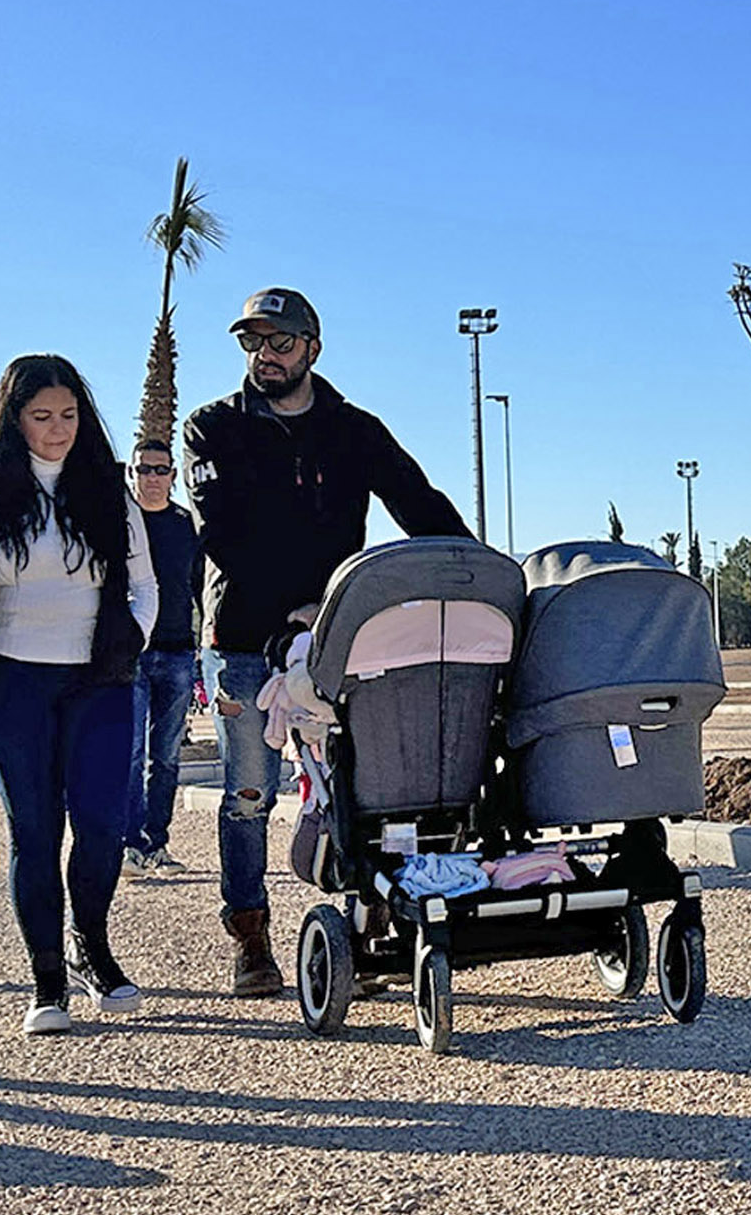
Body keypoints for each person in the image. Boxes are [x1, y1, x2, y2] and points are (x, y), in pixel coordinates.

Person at [182, 287, 471, 996]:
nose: (265, 355)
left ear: (312, 347)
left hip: (339, 637)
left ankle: (363, 921)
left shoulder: (353, 430)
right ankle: (250, 935)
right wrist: (297, 608)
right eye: (253, 342)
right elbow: (224, 534)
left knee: (361, 780)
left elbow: (418, 501)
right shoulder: (211, 429)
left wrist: (471, 569)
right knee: (251, 790)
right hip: (246, 639)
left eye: (280, 342)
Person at [0, 354, 158, 1035]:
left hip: (98, 679)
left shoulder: (106, 488)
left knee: (102, 824)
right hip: (8, 682)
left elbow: (145, 583)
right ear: (12, 419)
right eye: (41, 416)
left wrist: (129, 640)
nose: (58, 430)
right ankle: (46, 977)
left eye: (69, 415)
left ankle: (95, 948)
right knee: (34, 830)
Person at [120, 438, 202, 880]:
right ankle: (129, 844)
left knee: (166, 756)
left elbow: (200, 586)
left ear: (173, 476)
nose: (152, 478)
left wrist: (206, 642)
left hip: (177, 652)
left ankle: (157, 843)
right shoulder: (118, 524)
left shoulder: (186, 524)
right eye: (144, 469)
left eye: (160, 469)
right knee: (130, 753)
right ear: (131, 475)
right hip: (130, 655)